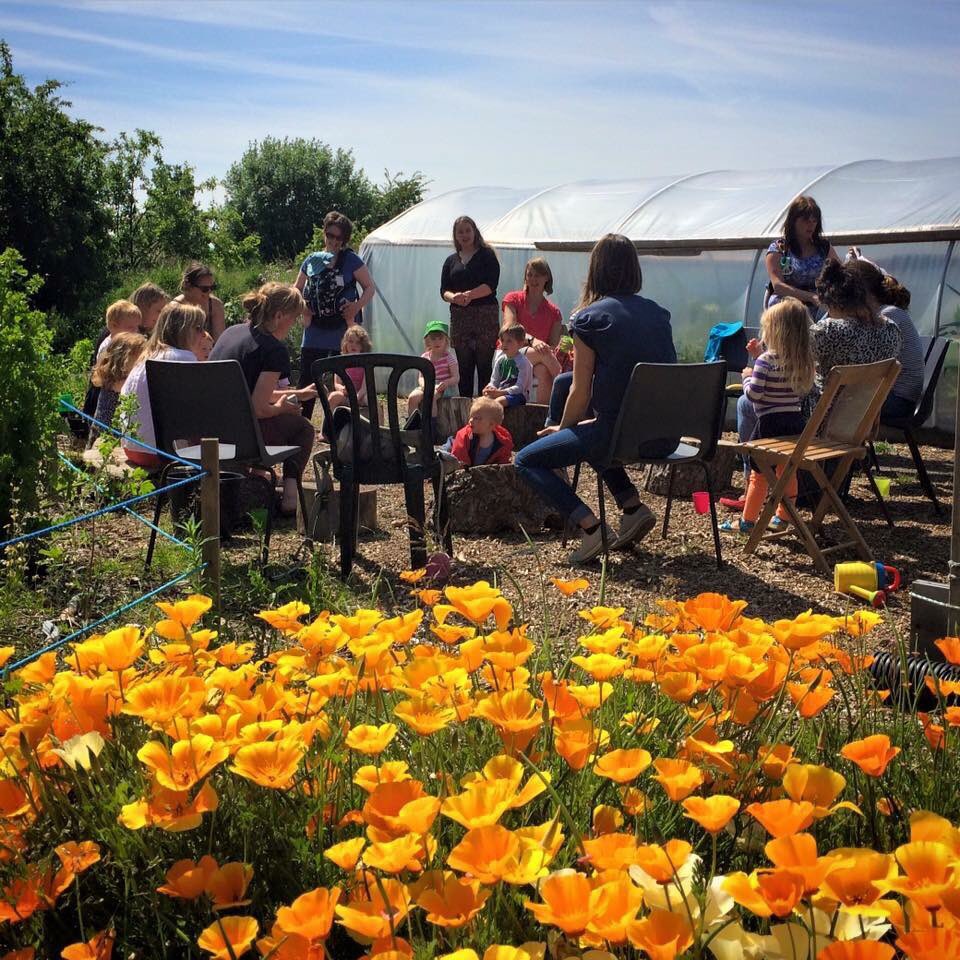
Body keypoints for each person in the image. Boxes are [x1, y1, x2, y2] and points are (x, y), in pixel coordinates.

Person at [514, 233, 677, 564]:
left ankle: (591, 528)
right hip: (664, 436)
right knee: (591, 429)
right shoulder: (659, 315)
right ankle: (631, 506)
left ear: (596, 270)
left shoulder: (590, 319)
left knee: (526, 460)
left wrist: (562, 429)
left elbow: (581, 390)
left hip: (619, 438)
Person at [209, 283, 317, 515]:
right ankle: (290, 498)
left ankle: (265, 481)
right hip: (243, 437)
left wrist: (295, 394)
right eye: (294, 318)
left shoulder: (231, 333)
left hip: (212, 430)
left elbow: (247, 392)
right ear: (279, 316)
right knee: (303, 428)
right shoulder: (273, 350)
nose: (295, 323)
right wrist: (282, 408)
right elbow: (259, 408)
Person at [720, 300, 815, 536]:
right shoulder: (802, 361)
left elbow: (754, 395)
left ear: (775, 331)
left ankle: (748, 521)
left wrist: (747, 376)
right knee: (787, 471)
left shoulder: (765, 361)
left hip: (769, 426)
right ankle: (783, 517)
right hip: (794, 424)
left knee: (759, 475)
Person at [295, 211, 376, 421]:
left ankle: (342, 423)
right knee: (308, 376)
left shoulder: (351, 260)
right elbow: (296, 288)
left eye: (338, 237)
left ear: (344, 239)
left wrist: (356, 306)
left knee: (346, 376)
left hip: (344, 329)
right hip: (315, 329)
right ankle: (302, 422)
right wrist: (303, 306)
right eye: (329, 235)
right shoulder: (312, 260)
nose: (333, 241)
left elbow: (369, 287)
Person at [120, 302, 207, 470]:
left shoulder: (148, 355)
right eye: (198, 328)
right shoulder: (183, 358)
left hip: (133, 448)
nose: (204, 334)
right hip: (161, 452)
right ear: (181, 330)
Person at [846, 256, 923, 421]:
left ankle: (833, 445)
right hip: (898, 396)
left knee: (833, 401)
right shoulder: (888, 312)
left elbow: (866, 359)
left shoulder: (886, 316)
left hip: (899, 401)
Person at [811, 260, 902, 395]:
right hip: (865, 412)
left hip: (824, 412)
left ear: (835, 303)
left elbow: (791, 359)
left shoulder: (828, 331)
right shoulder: (891, 330)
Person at [440, 215, 500, 397]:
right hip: (460, 318)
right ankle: (465, 409)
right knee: (464, 366)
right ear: (455, 236)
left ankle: (485, 408)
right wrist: (454, 297)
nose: (464, 235)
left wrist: (469, 295)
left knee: (483, 365)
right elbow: (444, 290)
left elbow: (491, 285)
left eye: (468, 230)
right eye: (460, 232)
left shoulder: (487, 255)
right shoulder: (451, 261)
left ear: (474, 232)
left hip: (484, 315)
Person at [764, 196, 840, 317]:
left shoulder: (824, 247)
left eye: (814, 221)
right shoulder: (779, 249)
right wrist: (811, 297)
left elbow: (839, 274)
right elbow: (778, 286)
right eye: (806, 220)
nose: (811, 225)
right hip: (788, 306)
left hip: (820, 304)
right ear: (793, 221)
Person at [502, 257, 563, 401]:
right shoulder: (513, 299)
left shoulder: (554, 312)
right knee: (545, 353)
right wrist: (532, 341)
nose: (533, 279)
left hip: (536, 359)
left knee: (544, 371)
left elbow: (553, 345)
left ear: (546, 278)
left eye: (538, 275)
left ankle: (543, 416)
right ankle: (568, 387)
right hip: (509, 352)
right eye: (530, 274)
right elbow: (510, 329)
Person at [87, 331, 147, 446]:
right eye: (139, 358)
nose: (142, 363)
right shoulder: (115, 381)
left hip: (113, 429)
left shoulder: (115, 377)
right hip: (107, 432)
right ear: (123, 359)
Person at [407, 320, 460, 428]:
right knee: (413, 397)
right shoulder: (425, 357)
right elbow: (421, 377)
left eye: (440, 338)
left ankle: (431, 427)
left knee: (431, 396)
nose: (437, 342)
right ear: (428, 341)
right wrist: (424, 385)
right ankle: (413, 426)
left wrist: (446, 383)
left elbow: (456, 377)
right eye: (433, 338)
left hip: (443, 387)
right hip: (427, 385)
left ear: (446, 340)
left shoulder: (449, 358)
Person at [450, 396, 514, 466]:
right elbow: (459, 459)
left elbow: (503, 461)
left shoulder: (501, 442)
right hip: (454, 448)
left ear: (491, 424)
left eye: (477, 418)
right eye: (471, 416)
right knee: (446, 452)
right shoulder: (464, 436)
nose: (471, 420)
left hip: (483, 471)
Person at [484, 323, 533, 410]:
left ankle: (494, 423)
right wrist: (490, 388)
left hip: (518, 396)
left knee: (498, 402)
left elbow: (520, 388)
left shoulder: (523, 362)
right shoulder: (500, 360)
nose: (504, 344)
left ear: (520, 344)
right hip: (501, 392)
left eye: (509, 341)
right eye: (502, 340)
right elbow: (494, 381)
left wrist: (500, 392)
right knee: (481, 402)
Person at [173, 263, 226, 341]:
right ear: (188, 286)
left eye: (212, 288)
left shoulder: (215, 305)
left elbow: (220, 342)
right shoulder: (175, 307)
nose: (209, 292)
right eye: (204, 289)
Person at [327, 324, 373, 411]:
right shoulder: (340, 362)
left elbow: (365, 386)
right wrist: (342, 389)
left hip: (361, 395)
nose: (353, 345)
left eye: (358, 342)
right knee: (333, 396)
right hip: (345, 395)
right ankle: (328, 423)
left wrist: (357, 397)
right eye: (351, 341)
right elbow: (337, 383)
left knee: (371, 399)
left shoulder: (366, 363)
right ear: (345, 343)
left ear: (363, 345)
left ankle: (378, 424)